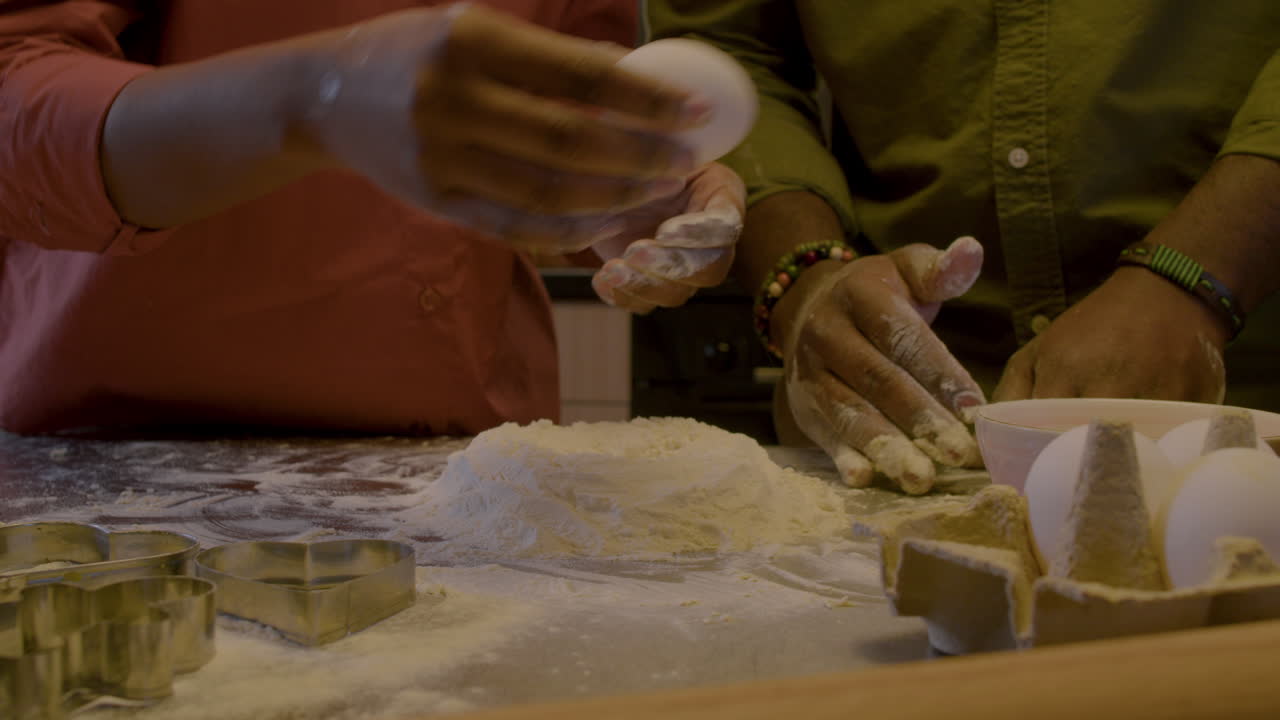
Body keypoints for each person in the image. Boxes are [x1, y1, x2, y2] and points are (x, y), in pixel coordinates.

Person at [0, 0, 744, 435]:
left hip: (465, 465)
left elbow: (562, 105)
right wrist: (313, 97)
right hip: (126, 460)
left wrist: (614, 182)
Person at [643, 2, 1280, 493]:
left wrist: (1198, 273)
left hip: (1251, 390)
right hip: (899, 414)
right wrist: (807, 279)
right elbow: (725, 50)